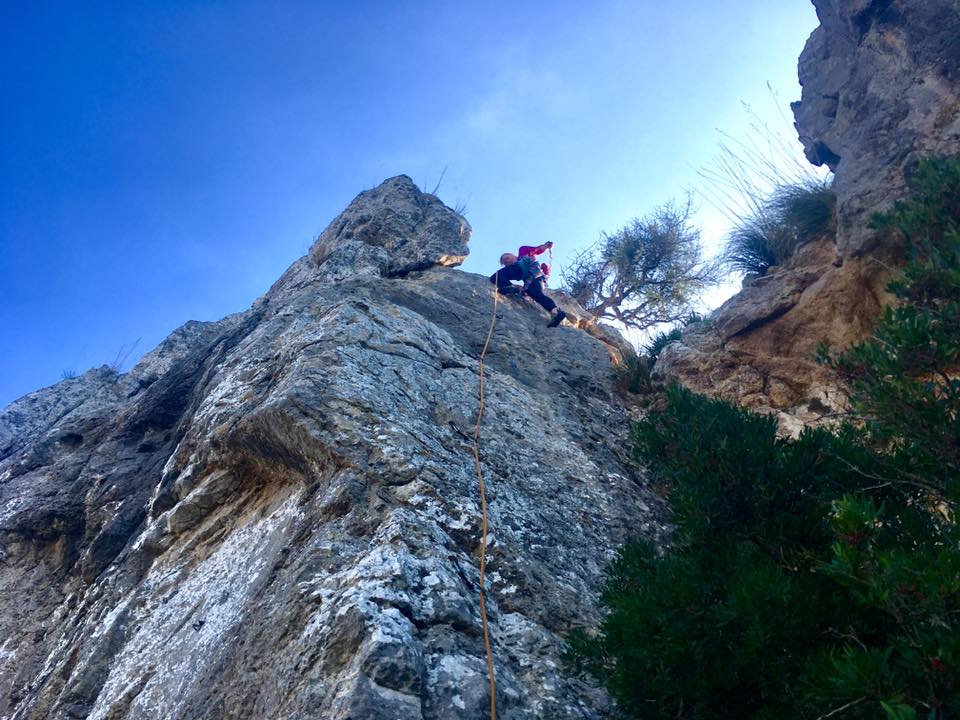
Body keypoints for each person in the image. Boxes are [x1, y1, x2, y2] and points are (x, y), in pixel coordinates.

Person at [490, 241, 567, 327]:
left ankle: (510, 286)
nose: (507, 262)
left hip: (534, 276)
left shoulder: (522, 252)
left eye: (507, 258)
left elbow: (536, 250)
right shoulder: (513, 268)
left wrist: (545, 246)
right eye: (505, 263)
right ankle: (555, 312)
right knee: (535, 293)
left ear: (513, 255)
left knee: (496, 276)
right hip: (535, 279)